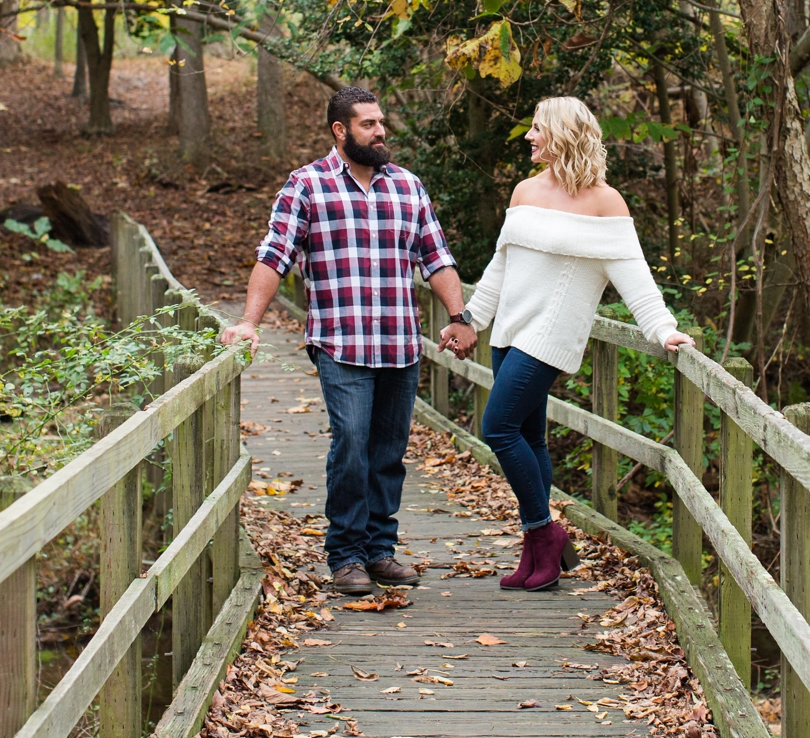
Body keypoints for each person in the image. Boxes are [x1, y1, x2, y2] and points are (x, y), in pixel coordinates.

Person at [222, 86, 476, 596]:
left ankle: (380, 551)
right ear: (341, 131)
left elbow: (437, 258)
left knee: (388, 451)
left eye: (381, 123)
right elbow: (274, 257)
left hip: (400, 343)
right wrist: (249, 321)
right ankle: (345, 555)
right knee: (352, 445)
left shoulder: (407, 186)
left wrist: (459, 314)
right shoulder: (306, 186)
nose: (380, 132)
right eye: (368, 124)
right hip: (340, 343)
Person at [439, 97, 694, 592]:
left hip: (550, 337)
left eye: (537, 128)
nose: (529, 136)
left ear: (563, 134)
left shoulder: (605, 202)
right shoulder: (524, 191)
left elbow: (635, 278)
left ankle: (546, 532)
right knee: (530, 437)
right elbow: (501, 266)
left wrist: (664, 329)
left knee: (498, 427)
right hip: (510, 332)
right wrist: (471, 318)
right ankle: (538, 553)